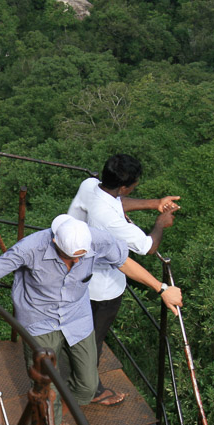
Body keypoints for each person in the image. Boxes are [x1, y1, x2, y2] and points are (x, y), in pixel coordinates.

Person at [0, 214, 182, 425]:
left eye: (80, 258)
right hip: (38, 320)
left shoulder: (96, 240)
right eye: (69, 258)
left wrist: (161, 289)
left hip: (77, 318)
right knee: (48, 390)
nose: (75, 263)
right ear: (54, 242)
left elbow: (123, 262)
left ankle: (55, 420)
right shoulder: (30, 247)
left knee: (88, 385)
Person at [68, 154, 180, 405]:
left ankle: (78, 375)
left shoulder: (90, 186)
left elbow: (116, 201)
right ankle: (90, 390)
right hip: (100, 289)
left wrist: (156, 204)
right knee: (93, 339)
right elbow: (147, 247)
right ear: (124, 186)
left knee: (80, 330)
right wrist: (161, 222)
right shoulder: (110, 221)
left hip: (73, 273)